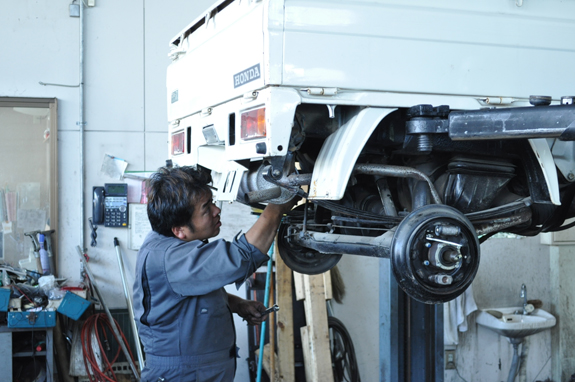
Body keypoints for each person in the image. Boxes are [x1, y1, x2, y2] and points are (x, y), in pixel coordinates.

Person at [132, 165, 297, 382]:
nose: (216, 210)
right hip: (182, 375)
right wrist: (276, 208)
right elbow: (240, 258)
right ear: (179, 230)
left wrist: (237, 304)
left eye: (212, 202)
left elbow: (187, 299)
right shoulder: (169, 258)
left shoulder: (164, 242)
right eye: (205, 208)